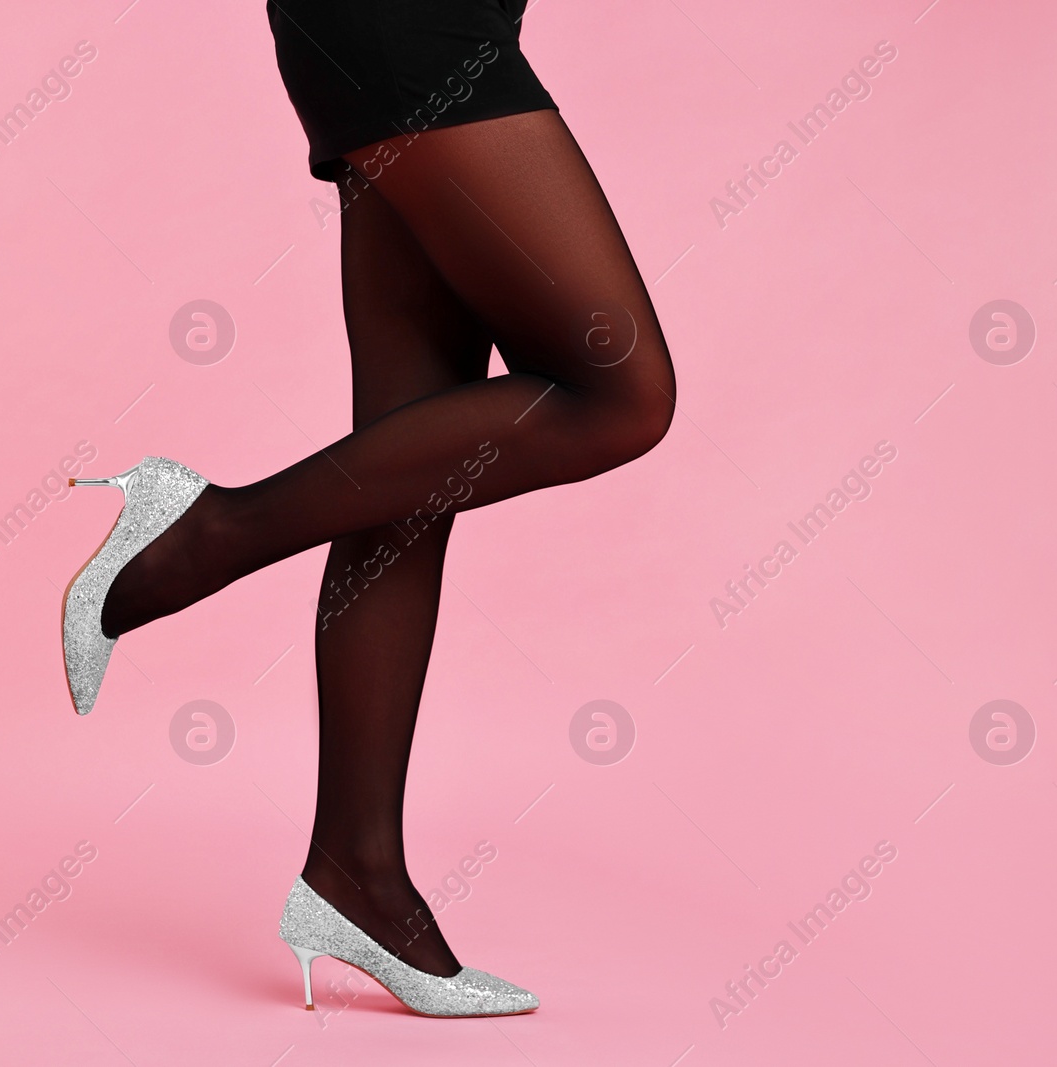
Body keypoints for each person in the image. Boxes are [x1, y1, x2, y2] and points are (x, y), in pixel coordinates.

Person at [61, 0, 676, 1017]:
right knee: (618, 393)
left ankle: (356, 871)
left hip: (404, 26)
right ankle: (204, 531)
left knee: (407, 465)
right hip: (409, 23)